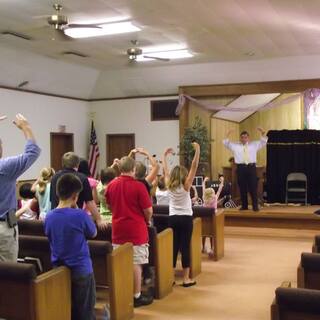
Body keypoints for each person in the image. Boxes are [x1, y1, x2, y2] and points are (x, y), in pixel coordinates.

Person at [45, 173, 97, 320]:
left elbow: (49, 235)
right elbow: (93, 233)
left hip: (59, 269)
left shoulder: (49, 216)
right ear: (75, 196)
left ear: (57, 192)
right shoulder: (80, 215)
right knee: (85, 310)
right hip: (81, 269)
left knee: (68, 308)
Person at [106, 156, 153, 308]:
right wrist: (146, 220)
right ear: (133, 169)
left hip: (118, 229)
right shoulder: (139, 186)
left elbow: (109, 206)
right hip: (136, 229)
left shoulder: (111, 185)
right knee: (136, 263)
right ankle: (136, 295)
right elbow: (148, 210)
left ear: (120, 169)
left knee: (120, 262)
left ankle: (122, 293)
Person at [0, 114, 41, 262]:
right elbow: (33, 152)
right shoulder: (5, 167)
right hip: (3, 228)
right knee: (8, 275)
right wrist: (26, 127)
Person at [163, 142, 200, 287]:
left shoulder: (169, 185)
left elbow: (165, 171)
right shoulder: (186, 186)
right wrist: (197, 150)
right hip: (185, 218)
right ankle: (185, 278)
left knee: (174, 247)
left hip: (172, 218)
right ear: (184, 175)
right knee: (185, 247)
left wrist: (164, 156)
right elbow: (194, 166)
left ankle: (171, 278)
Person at [50, 152, 106, 229]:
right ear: (77, 164)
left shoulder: (54, 177)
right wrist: (98, 219)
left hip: (55, 218)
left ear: (63, 163)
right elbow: (89, 201)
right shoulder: (82, 178)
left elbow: (52, 199)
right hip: (74, 218)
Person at [223, 128, 267, 212]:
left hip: (251, 167)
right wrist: (227, 134)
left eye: (245, 137)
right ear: (240, 138)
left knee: (253, 187)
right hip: (241, 168)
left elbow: (263, 142)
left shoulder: (254, 145)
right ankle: (244, 206)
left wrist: (262, 133)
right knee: (242, 187)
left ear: (248, 138)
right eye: (242, 137)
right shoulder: (235, 146)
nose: (244, 139)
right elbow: (226, 143)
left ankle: (255, 206)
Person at [201, 176, 224, 256]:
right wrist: (222, 182)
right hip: (212, 220)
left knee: (203, 235)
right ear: (213, 194)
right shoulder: (215, 198)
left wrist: (204, 182)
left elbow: (203, 189)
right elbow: (220, 190)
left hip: (204, 221)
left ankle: (203, 247)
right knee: (211, 235)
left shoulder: (204, 198)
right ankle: (211, 248)